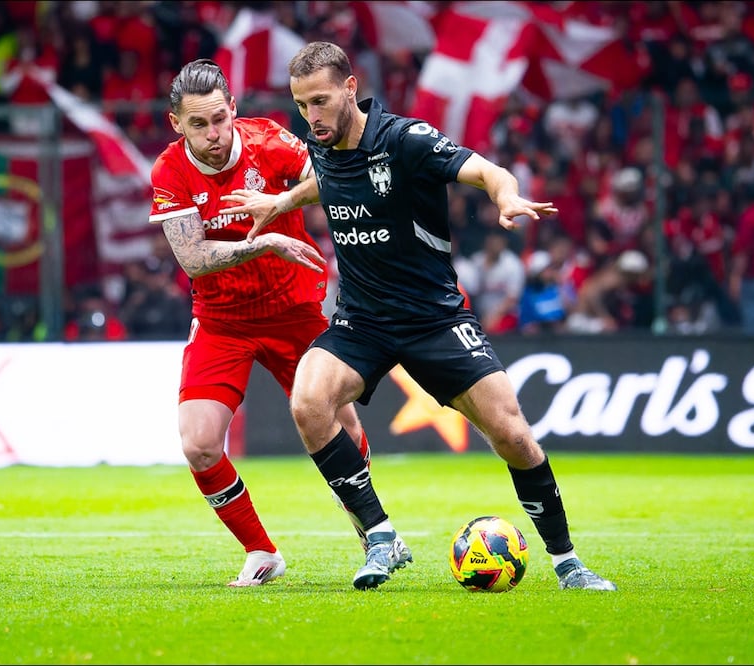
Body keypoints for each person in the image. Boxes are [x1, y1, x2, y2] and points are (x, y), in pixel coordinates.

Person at [221, 42, 616, 592]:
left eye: (320, 101)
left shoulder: (406, 139)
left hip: (434, 318)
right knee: (309, 400)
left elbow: (487, 170)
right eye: (301, 104)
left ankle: (568, 560)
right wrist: (281, 203)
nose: (310, 117)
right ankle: (380, 534)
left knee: (513, 435)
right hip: (364, 321)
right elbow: (328, 178)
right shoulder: (325, 143)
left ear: (350, 89)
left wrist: (506, 198)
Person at [147, 58, 370, 587]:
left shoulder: (270, 142)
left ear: (233, 110)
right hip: (222, 320)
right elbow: (193, 259)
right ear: (176, 123)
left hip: (294, 311)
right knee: (199, 443)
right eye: (198, 124)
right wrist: (264, 238)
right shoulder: (169, 172)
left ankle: (372, 532)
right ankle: (261, 551)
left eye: (219, 119)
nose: (213, 134)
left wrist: (288, 198)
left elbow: (327, 175)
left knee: (343, 425)